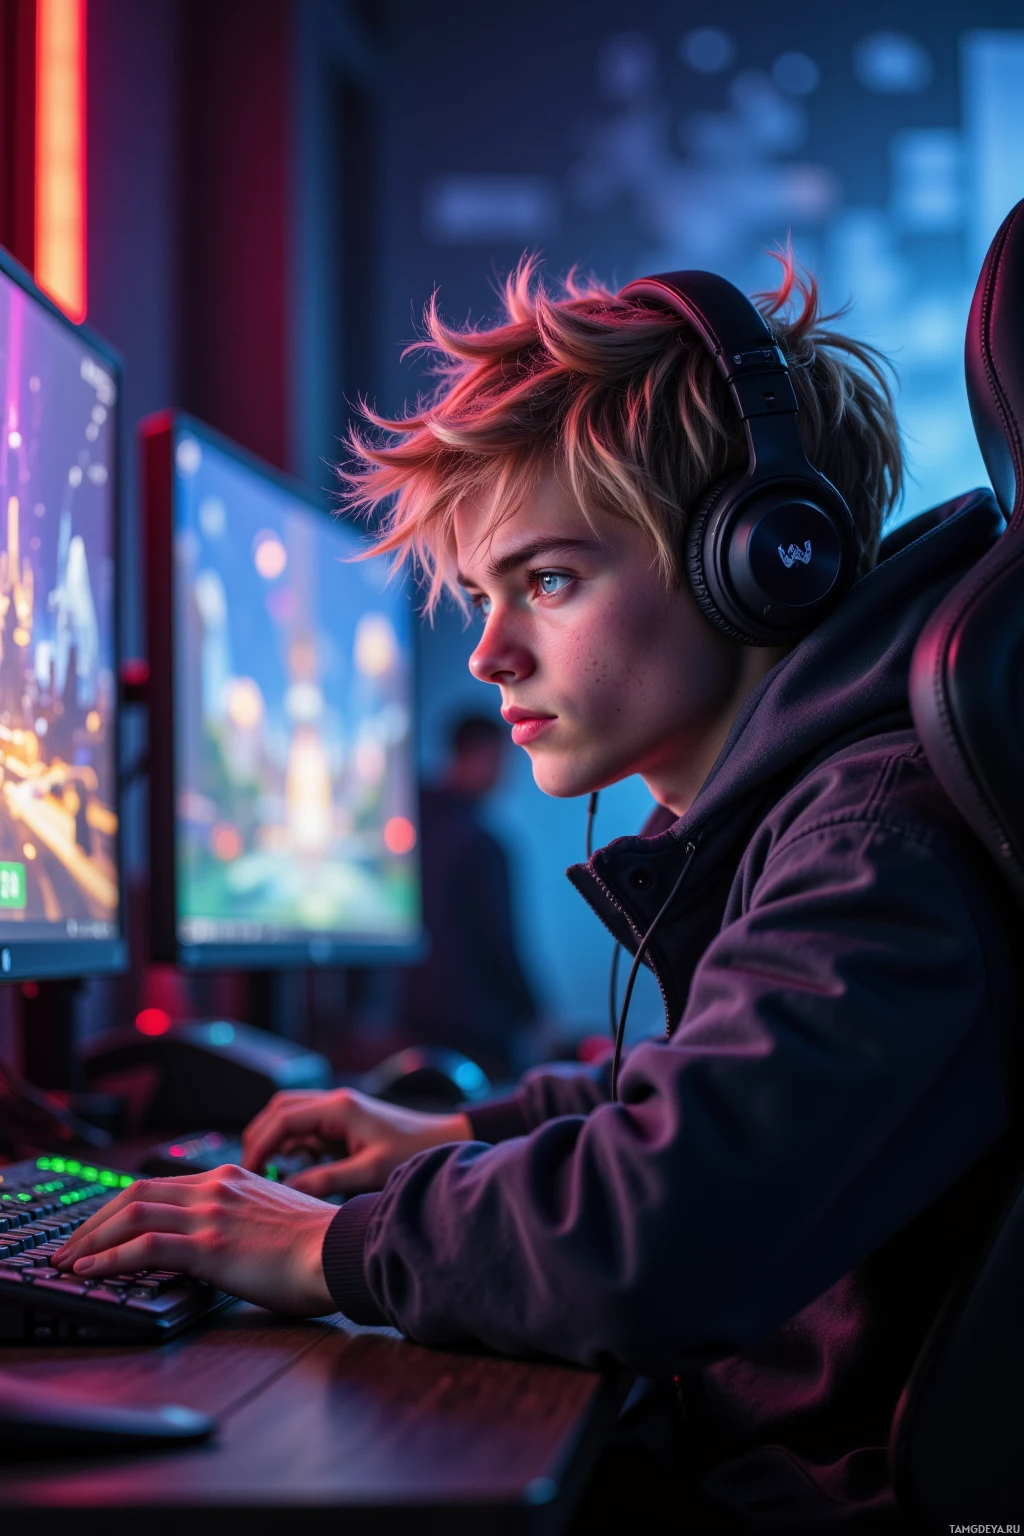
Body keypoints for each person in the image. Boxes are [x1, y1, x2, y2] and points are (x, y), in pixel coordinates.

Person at [52, 257, 1018, 1532]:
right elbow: (720, 1093)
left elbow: (667, 1228)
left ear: (765, 558)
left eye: (547, 580)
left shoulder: (872, 836)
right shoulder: (826, 808)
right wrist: (456, 1137)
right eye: (481, 593)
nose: (489, 652)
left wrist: (316, 1247)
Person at [398, 713, 538, 1079]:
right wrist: (535, 1012)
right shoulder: (481, 844)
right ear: (479, 754)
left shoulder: (405, 828)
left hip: (410, 1023)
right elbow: (500, 943)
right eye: (501, 759)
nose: (505, 774)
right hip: (479, 1032)